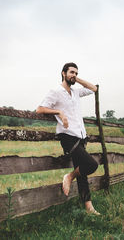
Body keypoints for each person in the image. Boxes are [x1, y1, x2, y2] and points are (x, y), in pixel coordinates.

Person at [36, 62, 100, 215]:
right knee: (91, 165)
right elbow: (39, 109)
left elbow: (94, 88)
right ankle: (69, 177)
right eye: (71, 72)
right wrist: (59, 112)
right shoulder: (56, 91)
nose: (74, 75)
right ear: (63, 73)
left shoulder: (76, 92)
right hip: (68, 137)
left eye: (76, 73)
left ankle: (89, 207)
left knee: (82, 172)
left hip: (80, 136)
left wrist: (77, 80)